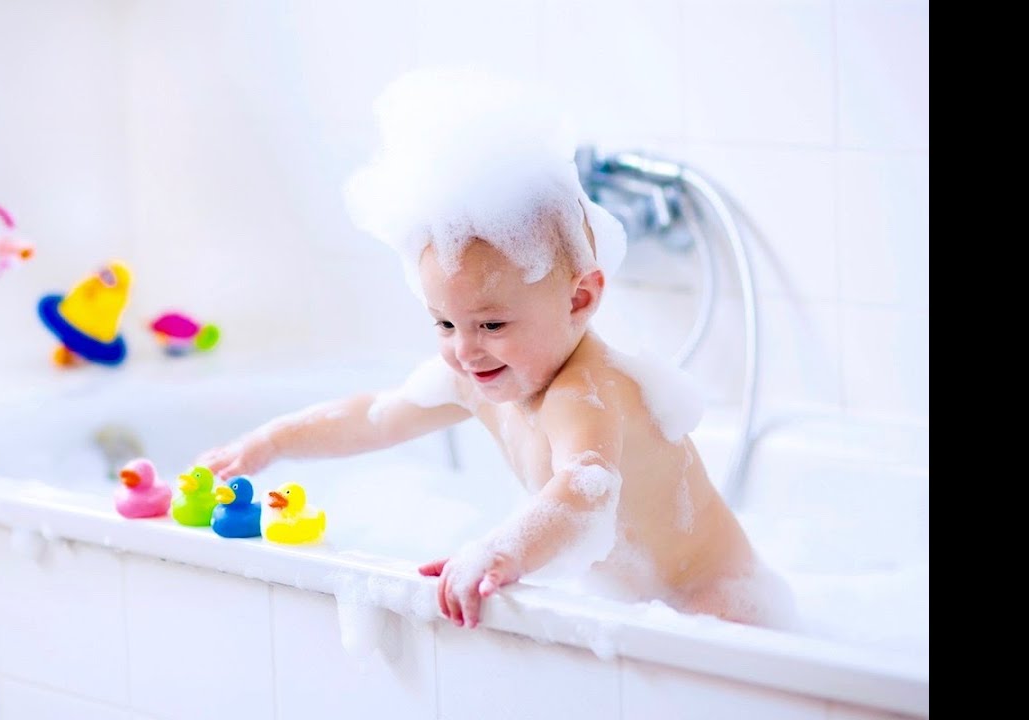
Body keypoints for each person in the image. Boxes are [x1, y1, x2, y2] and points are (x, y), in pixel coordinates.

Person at [195, 68, 794, 630]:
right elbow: (374, 419)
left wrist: (499, 551)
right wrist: (270, 442)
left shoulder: (587, 392)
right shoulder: (477, 375)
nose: (466, 351)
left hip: (712, 604)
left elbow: (584, 491)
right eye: (444, 324)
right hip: (633, 608)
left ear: (579, 300)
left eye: (491, 325)